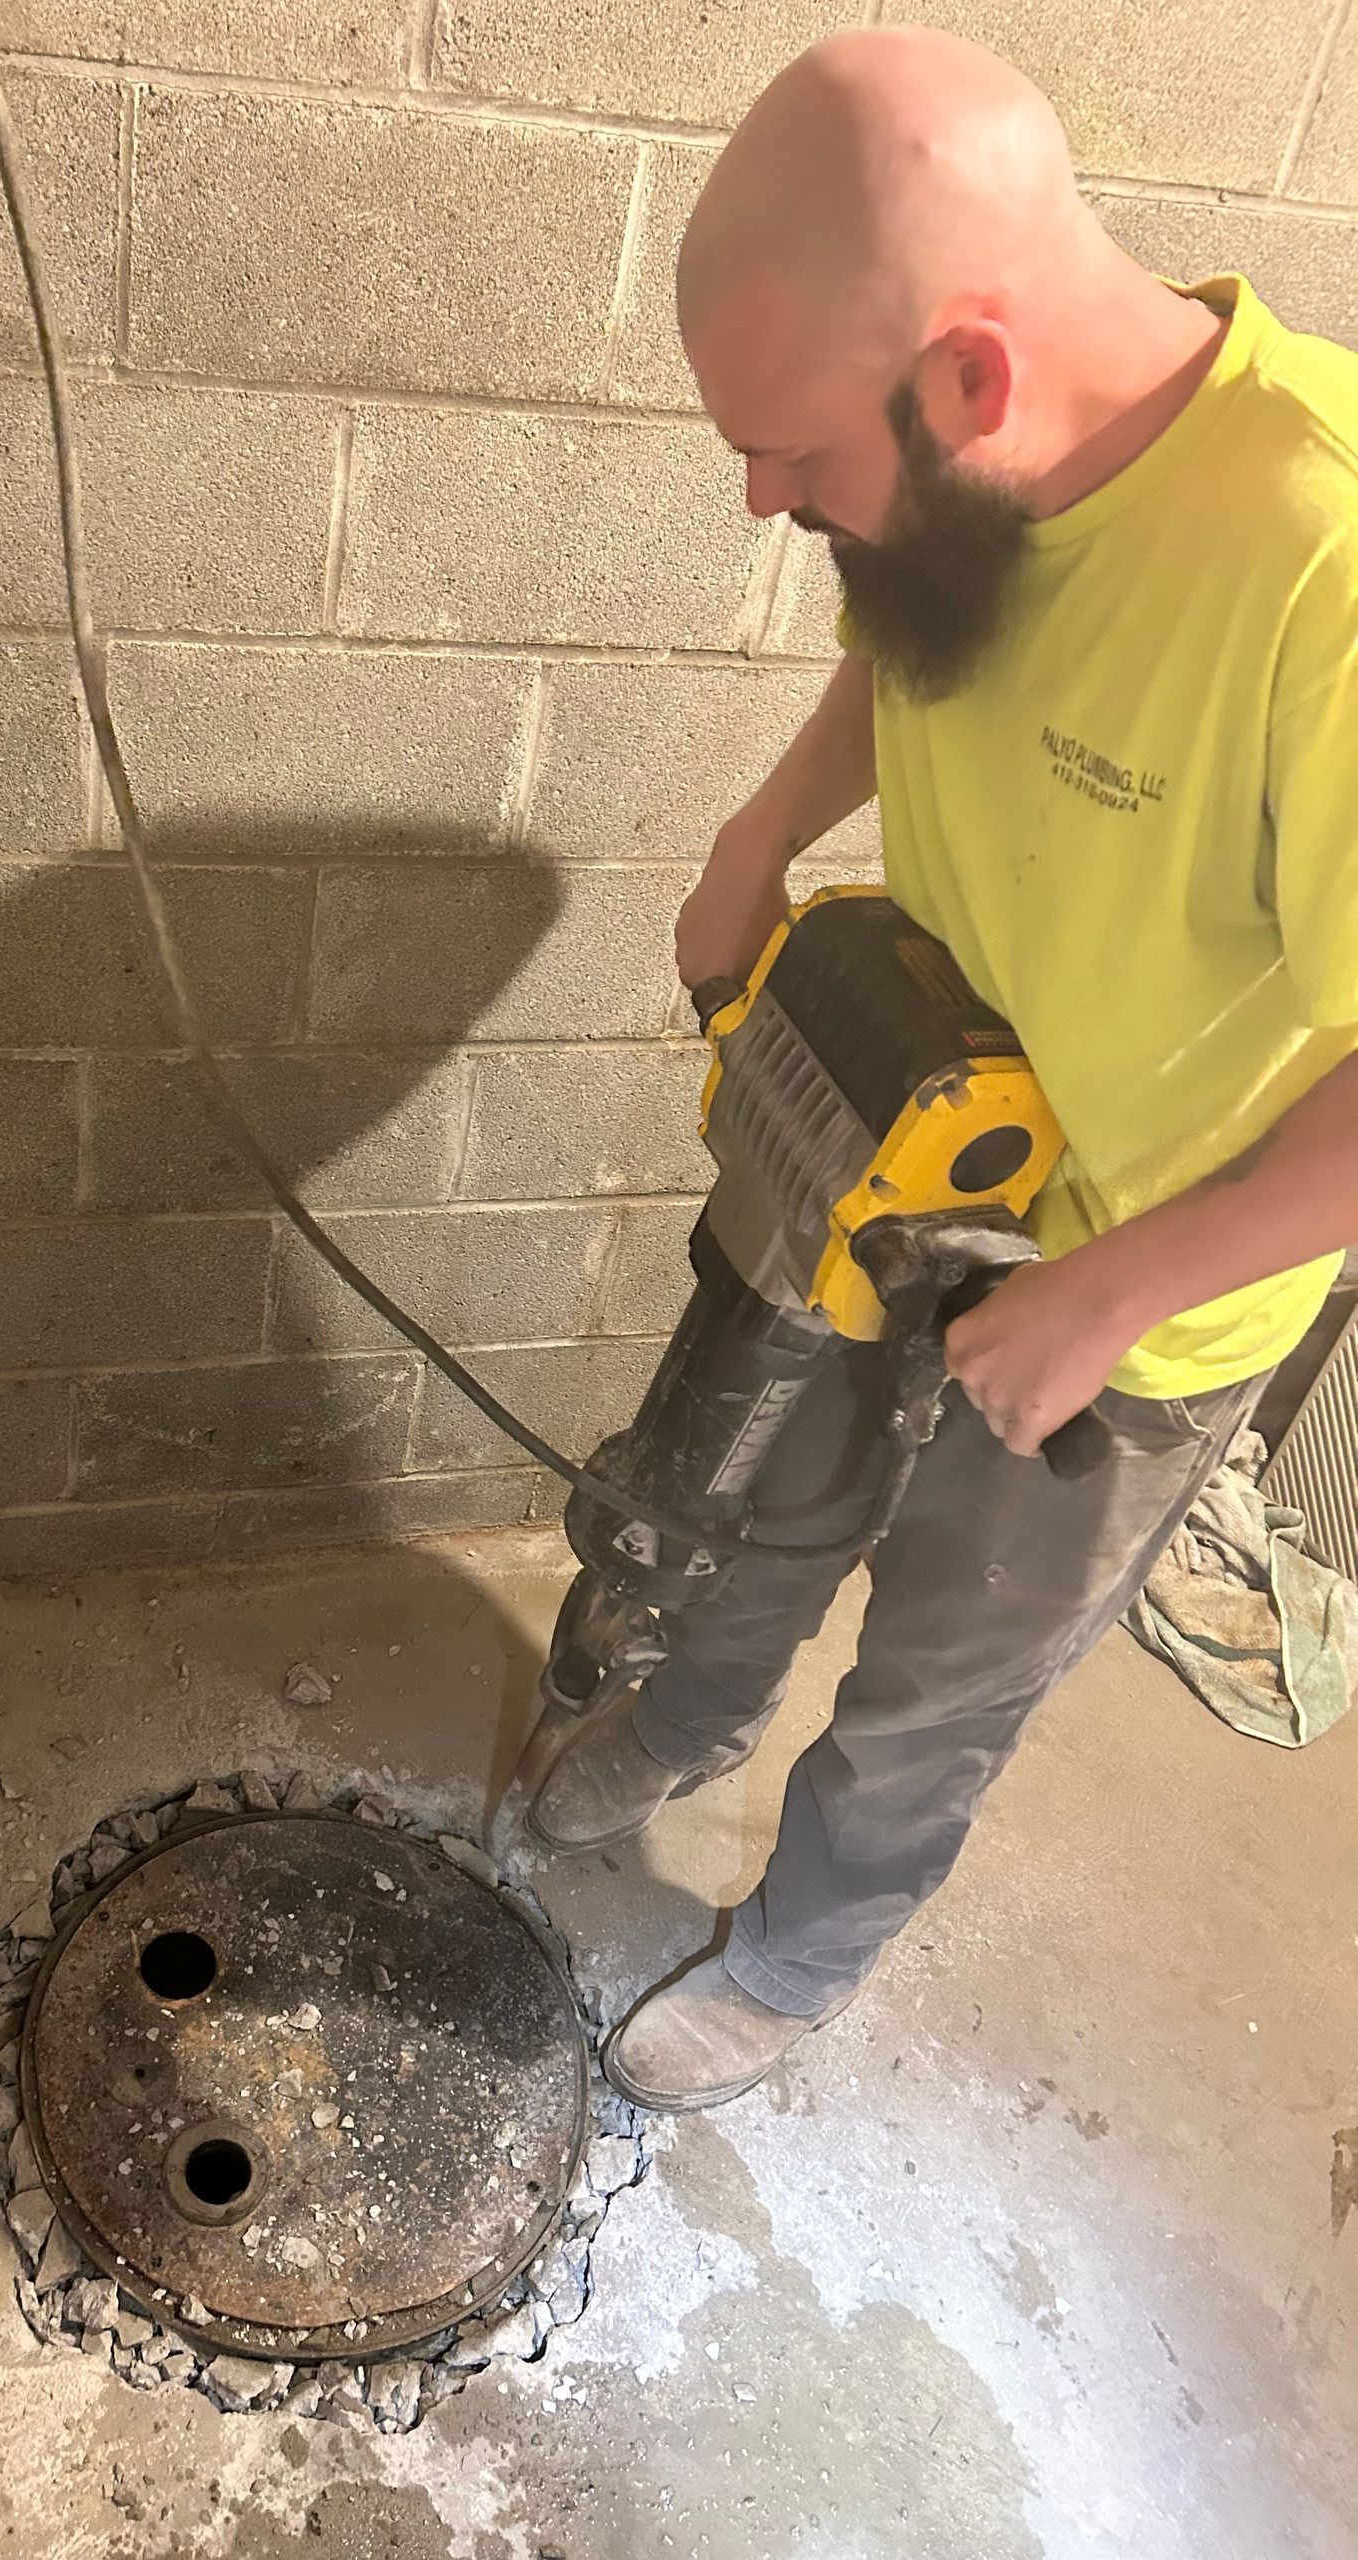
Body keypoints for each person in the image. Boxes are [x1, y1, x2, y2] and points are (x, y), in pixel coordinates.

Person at [527, 25, 1358, 2111]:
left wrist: (1112, 1288)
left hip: (1132, 1293)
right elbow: (907, 612)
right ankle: (675, 1727)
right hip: (896, 1121)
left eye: (790, 456)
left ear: (970, 378)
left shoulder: (1321, 571)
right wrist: (762, 832)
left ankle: (794, 1964)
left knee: (933, 1685)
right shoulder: (984, 478)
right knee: (750, 1510)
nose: (761, 495)